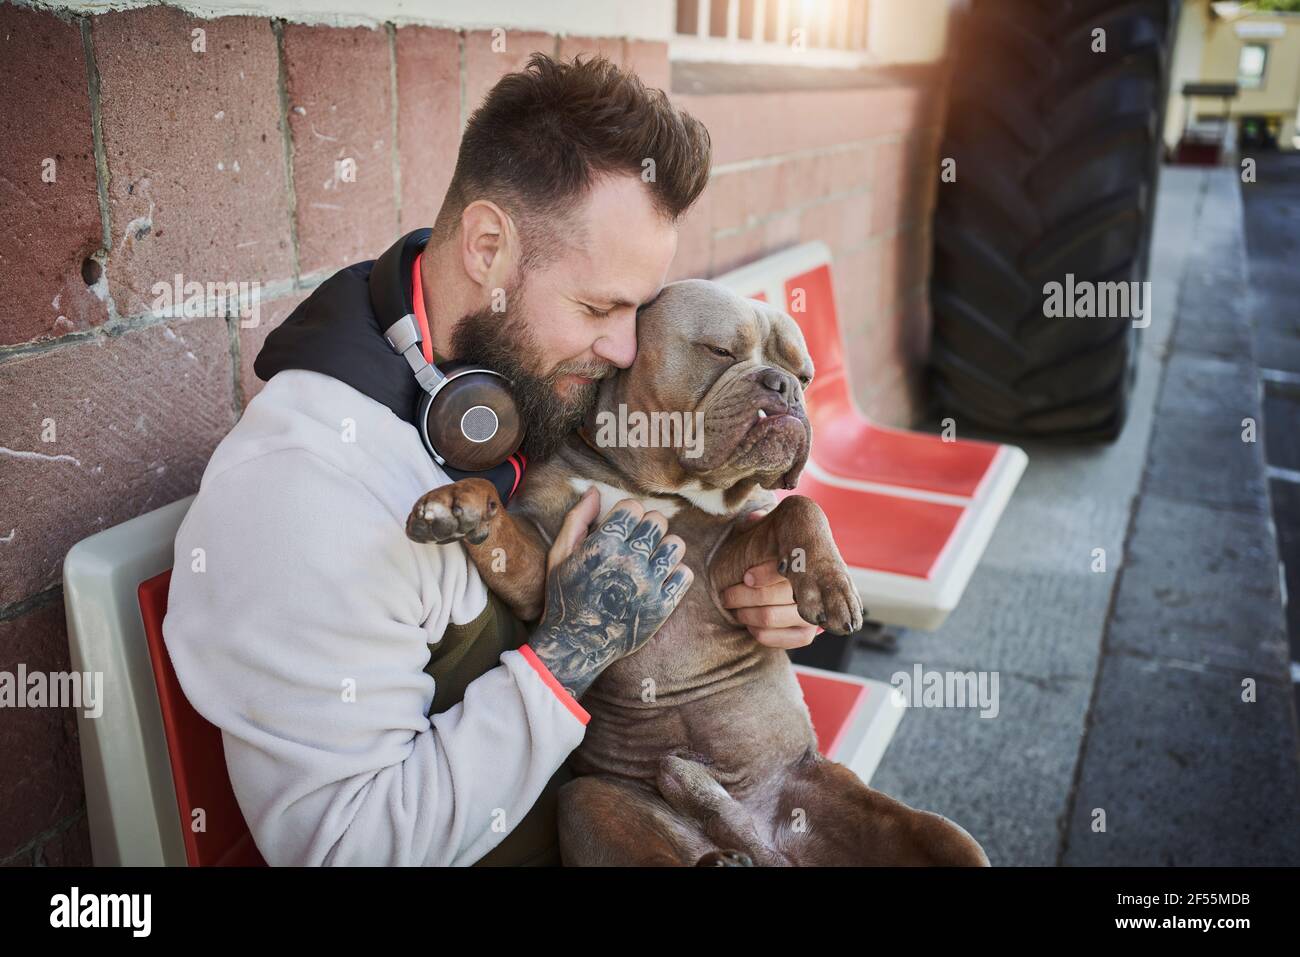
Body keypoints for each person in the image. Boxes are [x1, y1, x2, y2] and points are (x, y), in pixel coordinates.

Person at [162, 53, 820, 867]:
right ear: (486, 246)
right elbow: (344, 849)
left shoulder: (503, 384)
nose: (623, 349)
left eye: (637, 311)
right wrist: (571, 652)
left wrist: (765, 589)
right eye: (598, 307)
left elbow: (693, 492)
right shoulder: (307, 495)